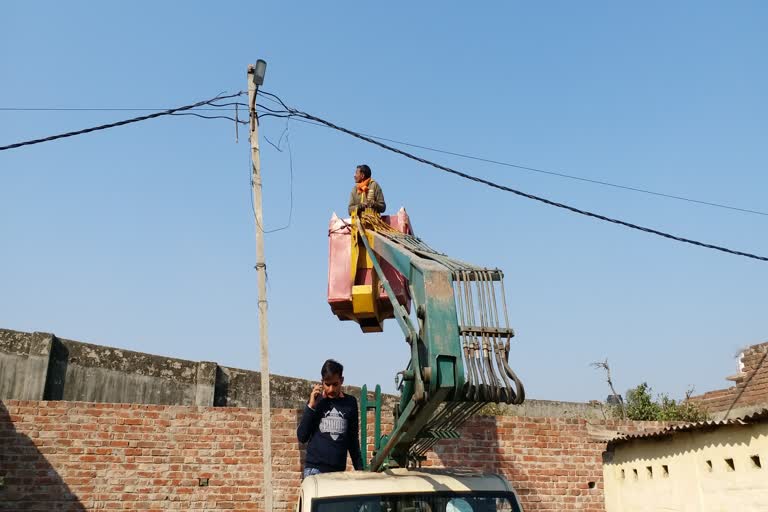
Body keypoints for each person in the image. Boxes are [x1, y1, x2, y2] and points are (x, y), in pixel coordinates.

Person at [297, 359, 363, 478]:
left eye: (335, 384)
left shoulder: (350, 402)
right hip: (314, 470)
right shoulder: (317, 401)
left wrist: (360, 470)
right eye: (327, 385)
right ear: (322, 382)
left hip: (338, 472)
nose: (331, 389)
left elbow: (353, 440)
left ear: (341, 381)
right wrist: (311, 406)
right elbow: (302, 436)